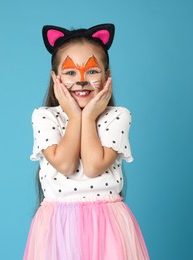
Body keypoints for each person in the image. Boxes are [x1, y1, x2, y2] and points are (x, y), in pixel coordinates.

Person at [24, 23, 149, 260]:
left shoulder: (118, 116)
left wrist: (89, 116)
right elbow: (65, 164)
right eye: (70, 73)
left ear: (106, 76)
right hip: (58, 227)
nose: (81, 80)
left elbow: (93, 166)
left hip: (108, 225)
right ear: (56, 78)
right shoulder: (44, 116)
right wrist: (74, 116)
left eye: (92, 71)